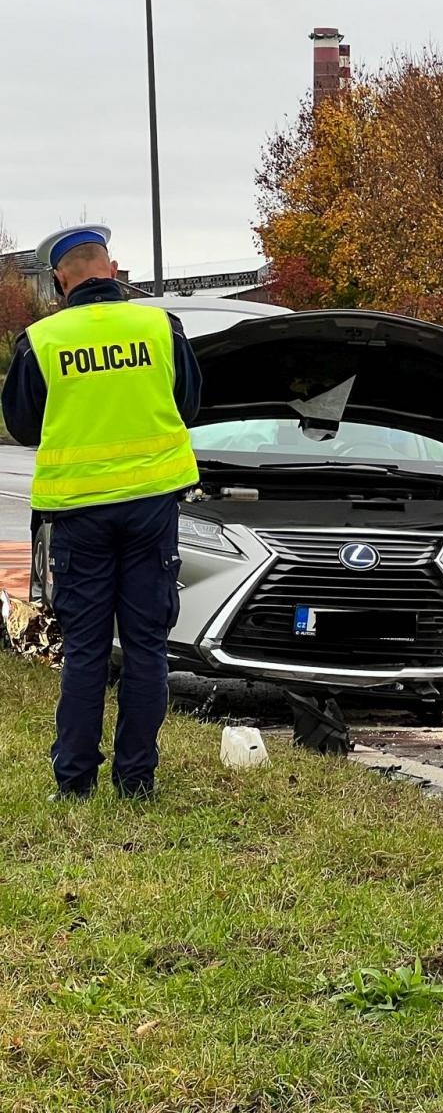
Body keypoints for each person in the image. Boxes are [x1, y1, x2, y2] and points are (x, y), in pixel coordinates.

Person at [1, 225, 202, 800]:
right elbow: (188, 403)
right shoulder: (161, 327)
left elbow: (20, 425)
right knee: (146, 647)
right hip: (151, 510)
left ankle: (74, 782)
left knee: (86, 649)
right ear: (111, 268)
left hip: (79, 513)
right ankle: (136, 779)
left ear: (61, 280)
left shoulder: (41, 339)